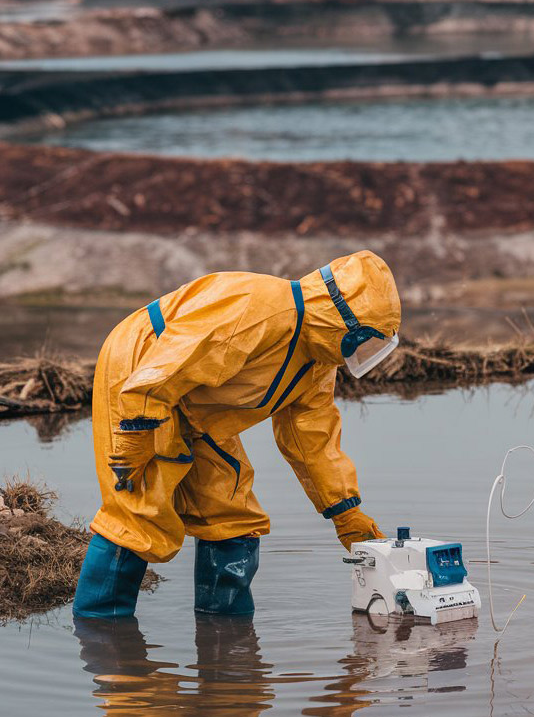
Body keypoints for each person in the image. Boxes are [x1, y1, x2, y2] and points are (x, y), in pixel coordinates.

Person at [73, 250, 401, 619]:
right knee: (139, 509)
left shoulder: (317, 364)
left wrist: (347, 514)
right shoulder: (258, 307)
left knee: (233, 516)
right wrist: (135, 432)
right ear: (341, 316)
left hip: (198, 409)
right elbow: (169, 367)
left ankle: (226, 641)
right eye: (361, 338)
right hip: (140, 376)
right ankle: (101, 635)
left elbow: (315, 444)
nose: (356, 351)